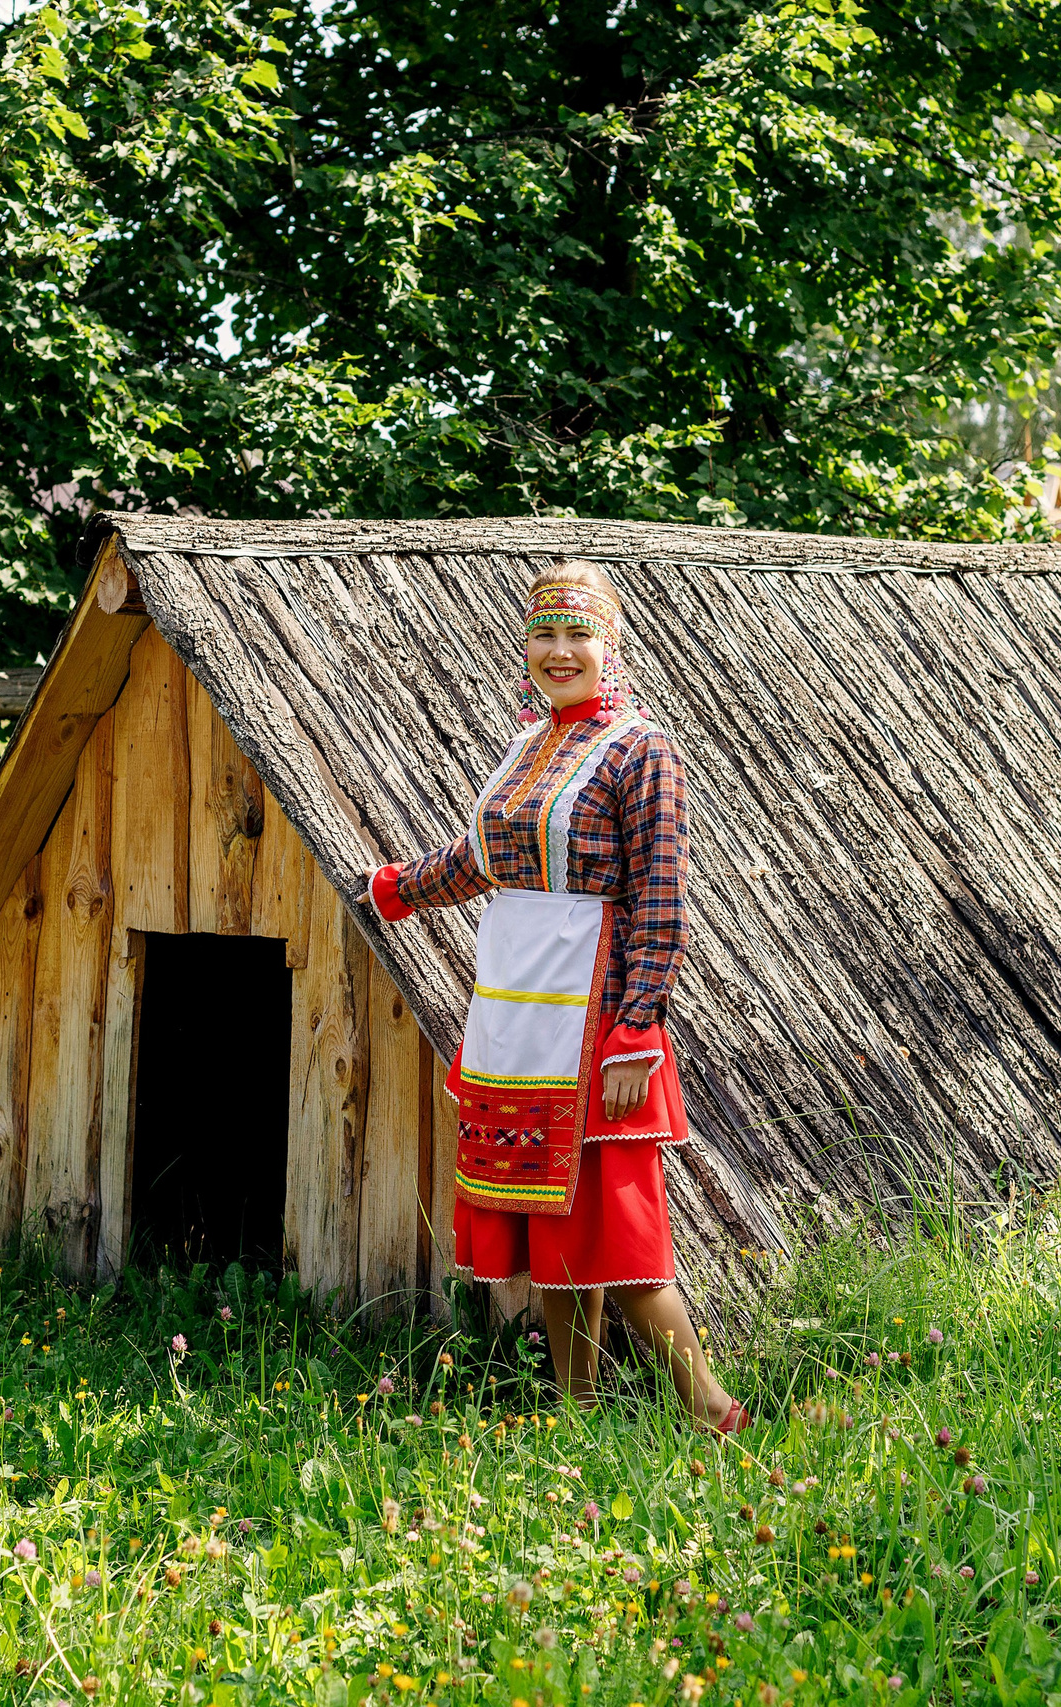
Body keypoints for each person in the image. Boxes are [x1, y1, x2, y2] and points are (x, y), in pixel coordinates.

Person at [365, 562, 749, 1433]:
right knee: (552, 1238)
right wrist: (397, 889)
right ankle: (576, 1423)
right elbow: (482, 862)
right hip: (516, 1014)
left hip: (596, 1024)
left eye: (580, 634)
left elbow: (660, 895)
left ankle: (712, 1412)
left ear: (611, 646)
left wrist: (636, 1028)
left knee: (621, 1240)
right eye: (546, 633)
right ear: (526, 644)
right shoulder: (525, 745)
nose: (561, 650)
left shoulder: (641, 750)